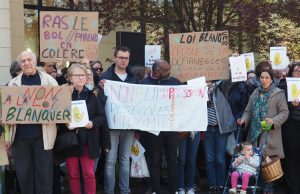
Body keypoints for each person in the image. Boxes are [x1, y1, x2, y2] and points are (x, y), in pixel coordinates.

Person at [5, 50, 58, 194]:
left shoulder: (49, 81)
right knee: (24, 177)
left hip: (43, 137)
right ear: (20, 64)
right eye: (23, 61)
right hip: (20, 139)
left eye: (29, 59)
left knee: (44, 177)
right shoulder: (12, 84)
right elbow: (7, 111)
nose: (26, 63)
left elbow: (59, 105)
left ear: (34, 61)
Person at [237, 68, 289, 194]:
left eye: (267, 78)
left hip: (269, 134)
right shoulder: (255, 92)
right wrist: (243, 120)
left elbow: (284, 112)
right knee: (255, 166)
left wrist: (274, 121)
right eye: (262, 77)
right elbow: (248, 111)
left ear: (272, 80)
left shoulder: (278, 93)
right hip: (255, 134)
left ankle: (267, 190)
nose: (264, 80)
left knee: (267, 169)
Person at [100, 46, 139, 194]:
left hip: (128, 126)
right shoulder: (105, 77)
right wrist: (101, 87)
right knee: (110, 161)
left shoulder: (134, 78)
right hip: (111, 126)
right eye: (121, 57)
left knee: (124, 160)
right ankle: (109, 191)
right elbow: (100, 101)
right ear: (115, 58)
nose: (123, 60)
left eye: (126, 58)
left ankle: (124, 190)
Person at [62, 64, 106, 194]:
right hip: (71, 141)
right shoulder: (63, 95)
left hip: (88, 140)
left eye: (83, 75)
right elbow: (56, 116)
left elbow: (101, 116)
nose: (81, 78)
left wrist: (92, 123)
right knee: (73, 175)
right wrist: (65, 122)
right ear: (70, 78)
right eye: (77, 75)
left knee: (89, 174)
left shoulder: (92, 95)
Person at [140, 59, 181, 194]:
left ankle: (173, 190)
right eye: (166, 70)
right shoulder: (144, 84)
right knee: (155, 161)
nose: (169, 72)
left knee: (172, 161)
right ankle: (155, 190)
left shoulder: (175, 82)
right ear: (157, 72)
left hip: (171, 129)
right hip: (153, 131)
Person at [205, 80, 237, 193]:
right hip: (207, 129)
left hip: (220, 129)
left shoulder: (221, 87)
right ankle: (212, 185)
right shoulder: (198, 89)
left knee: (220, 158)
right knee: (209, 158)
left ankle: (221, 184)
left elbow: (231, 79)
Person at [279, 62, 300, 194]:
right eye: (296, 71)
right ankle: (292, 188)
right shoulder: (285, 87)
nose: (299, 73)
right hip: (292, 127)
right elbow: (281, 108)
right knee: (292, 157)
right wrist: (291, 104)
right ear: (291, 73)